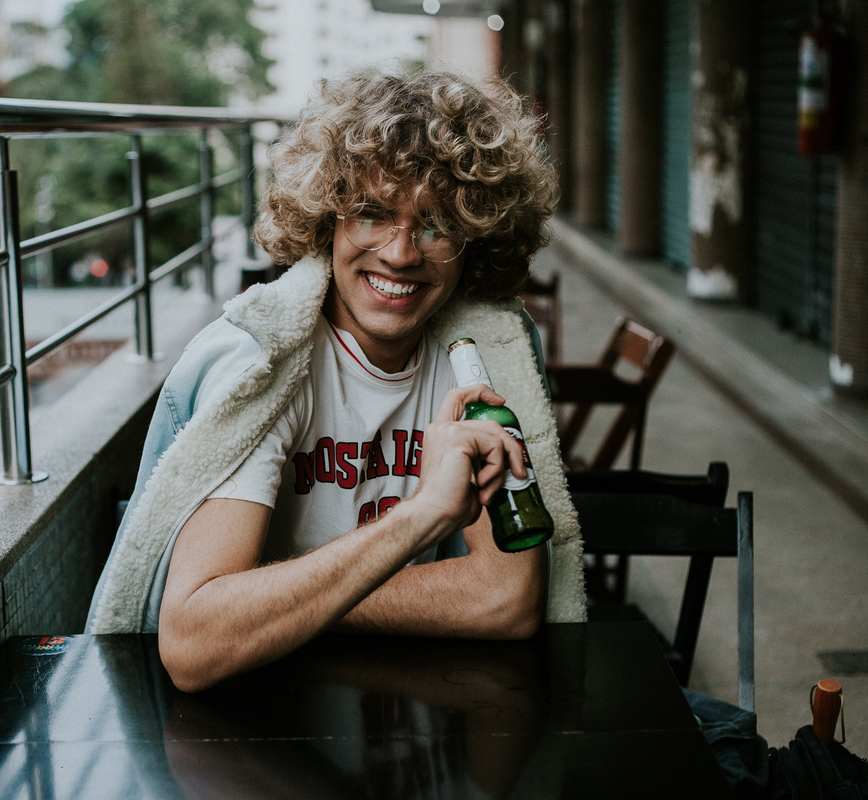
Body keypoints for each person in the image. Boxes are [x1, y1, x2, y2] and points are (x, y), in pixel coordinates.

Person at [87, 68, 586, 692]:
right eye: (373, 214)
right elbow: (195, 641)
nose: (402, 253)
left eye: (436, 224)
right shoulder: (265, 365)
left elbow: (504, 601)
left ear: (476, 236)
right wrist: (421, 518)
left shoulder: (484, 356)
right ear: (328, 220)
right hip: (247, 736)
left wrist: (284, 607)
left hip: (418, 722)